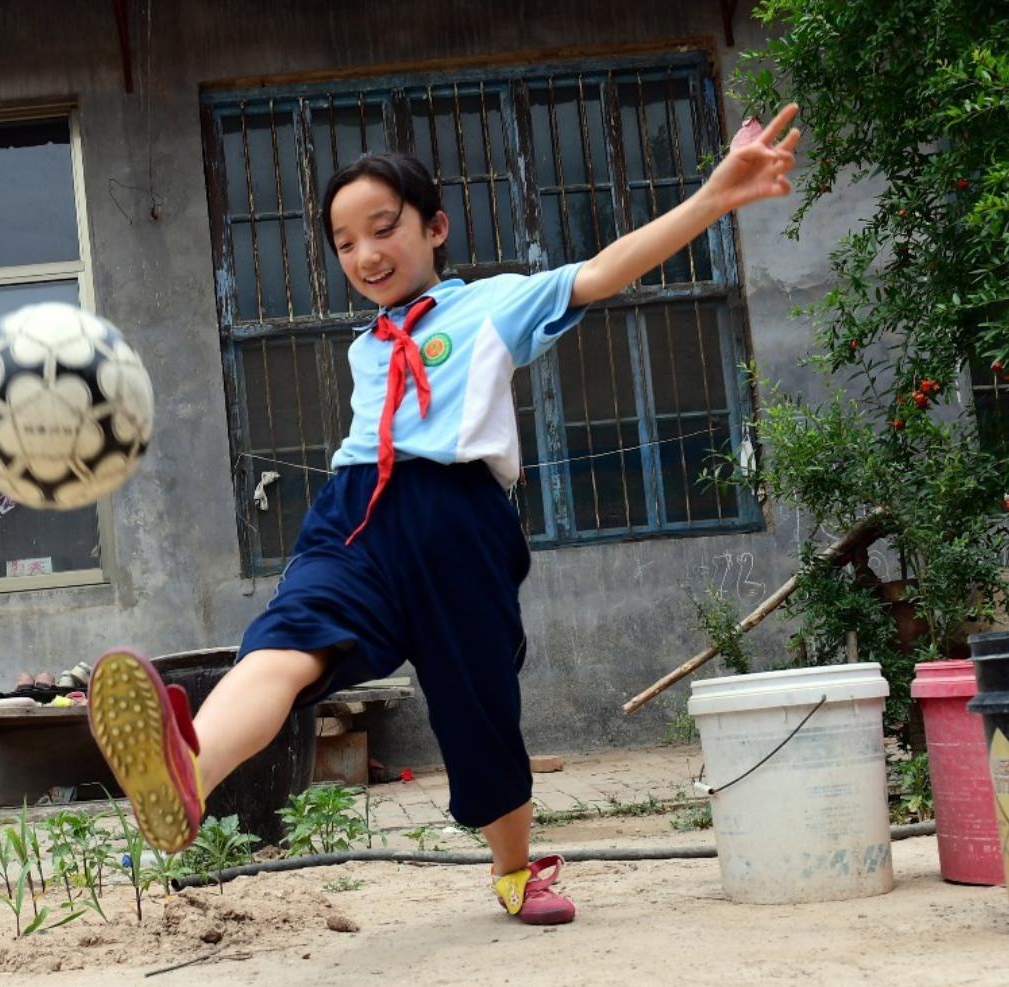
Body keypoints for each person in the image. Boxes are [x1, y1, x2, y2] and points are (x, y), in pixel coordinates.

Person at [87, 103, 801, 926]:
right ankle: (189, 773)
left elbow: (604, 270)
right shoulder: (366, 345)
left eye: (382, 228)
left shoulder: (492, 306)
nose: (364, 254)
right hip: (355, 512)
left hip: (459, 522)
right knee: (284, 640)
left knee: (479, 706)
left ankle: (515, 871)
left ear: (435, 228)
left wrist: (713, 196)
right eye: (345, 242)